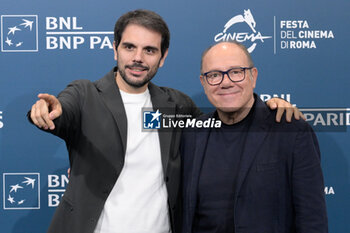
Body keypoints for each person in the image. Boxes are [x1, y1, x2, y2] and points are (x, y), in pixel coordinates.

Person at [29, 10, 302, 233]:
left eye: (149, 50)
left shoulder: (178, 105)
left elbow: (226, 127)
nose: (138, 58)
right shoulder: (85, 94)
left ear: (163, 57)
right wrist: (46, 109)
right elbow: (61, 110)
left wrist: (267, 109)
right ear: (115, 49)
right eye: (129, 47)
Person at [181, 41, 328, 233]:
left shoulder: (290, 131)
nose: (226, 82)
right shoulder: (191, 135)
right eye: (214, 75)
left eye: (236, 72)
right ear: (203, 82)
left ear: (253, 76)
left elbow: (312, 220)